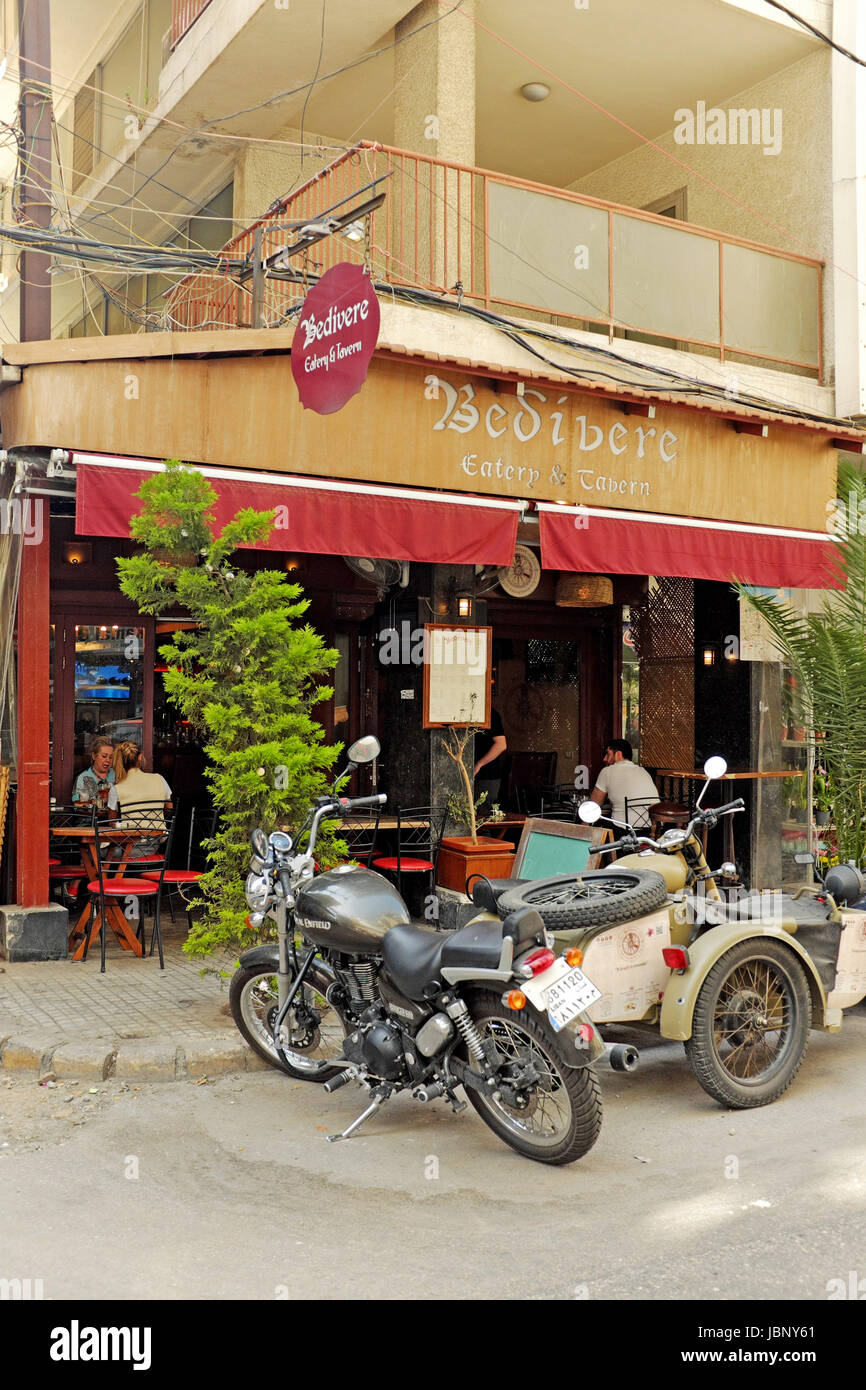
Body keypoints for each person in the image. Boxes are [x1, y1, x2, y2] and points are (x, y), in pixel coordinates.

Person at [107, 741, 173, 859]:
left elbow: (112, 822)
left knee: (93, 853)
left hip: (130, 845)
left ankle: (113, 876)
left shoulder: (116, 789)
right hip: (156, 843)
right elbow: (169, 808)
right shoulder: (159, 779)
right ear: (140, 757)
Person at [590, 738, 659, 829]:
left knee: (597, 824)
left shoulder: (607, 771)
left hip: (624, 830)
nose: (605, 759)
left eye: (608, 754)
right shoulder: (643, 771)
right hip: (651, 829)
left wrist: (583, 827)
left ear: (618, 754)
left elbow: (593, 805)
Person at [473, 706, 507, 811]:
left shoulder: (490, 713)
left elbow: (501, 745)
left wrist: (479, 764)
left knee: (482, 818)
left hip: (486, 777)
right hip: (467, 773)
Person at [72, 736, 116, 816]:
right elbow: (77, 806)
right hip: (88, 824)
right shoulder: (83, 778)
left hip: (112, 824)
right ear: (94, 756)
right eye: (104, 756)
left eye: (111, 757)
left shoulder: (115, 775)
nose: (108, 760)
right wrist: (95, 805)